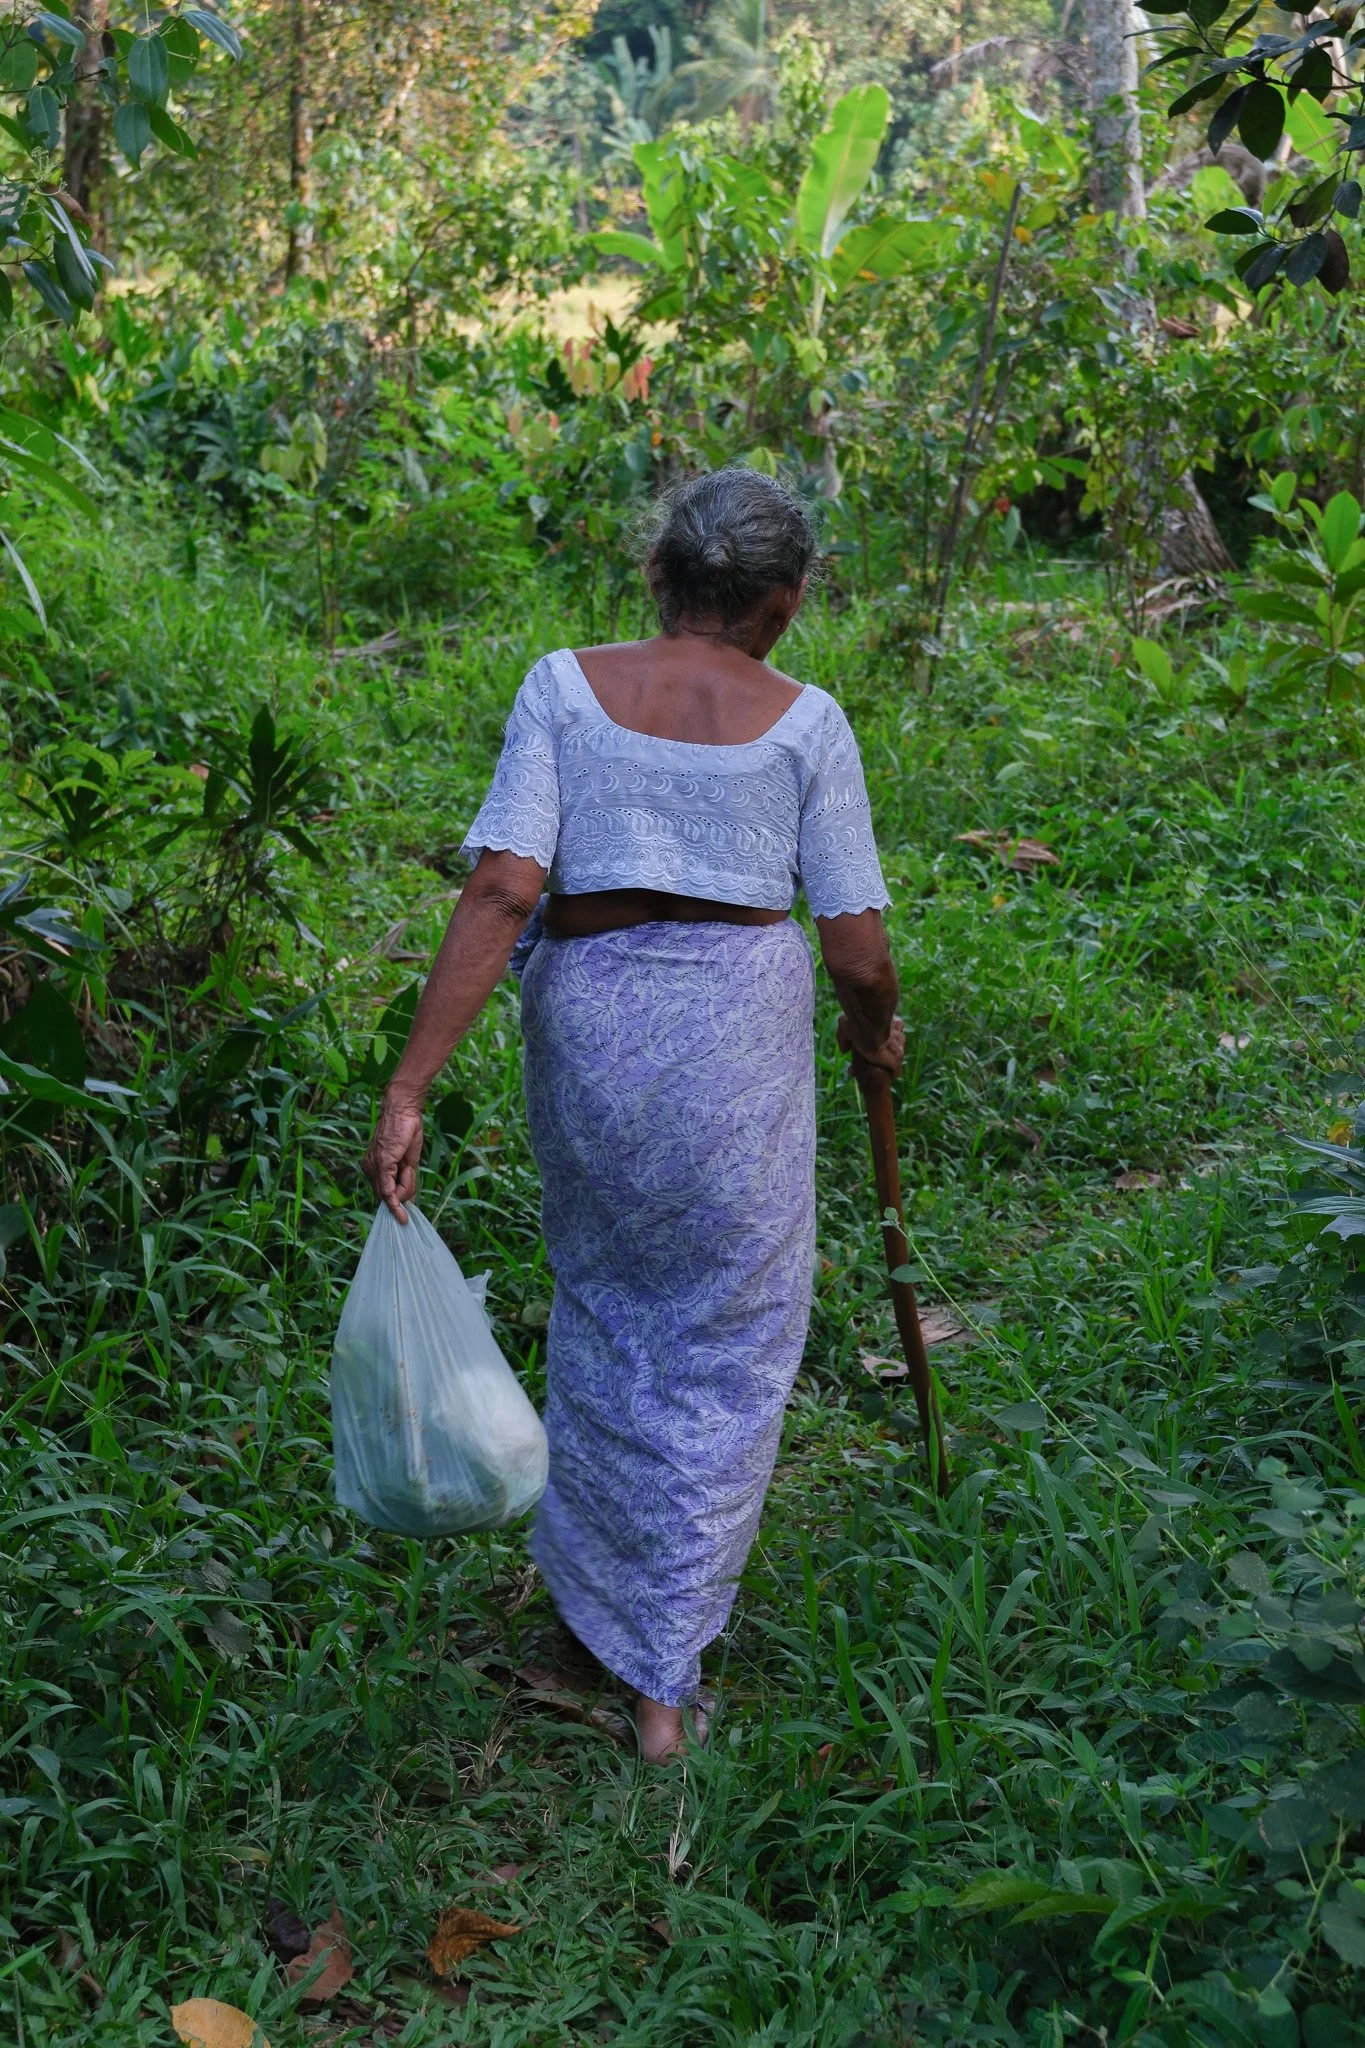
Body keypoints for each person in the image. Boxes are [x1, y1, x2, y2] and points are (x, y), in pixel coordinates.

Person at [363, 468, 902, 1762]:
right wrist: (874, 1025)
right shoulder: (808, 723)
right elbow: (858, 946)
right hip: (739, 1051)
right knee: (731, 1331)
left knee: (605, 1300)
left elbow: (502, 889)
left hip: (592, 1033)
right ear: (785, 604)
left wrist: (409, 1082)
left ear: (657, 570)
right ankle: (665, 1679)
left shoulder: (562, 686)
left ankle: (606, 1610)